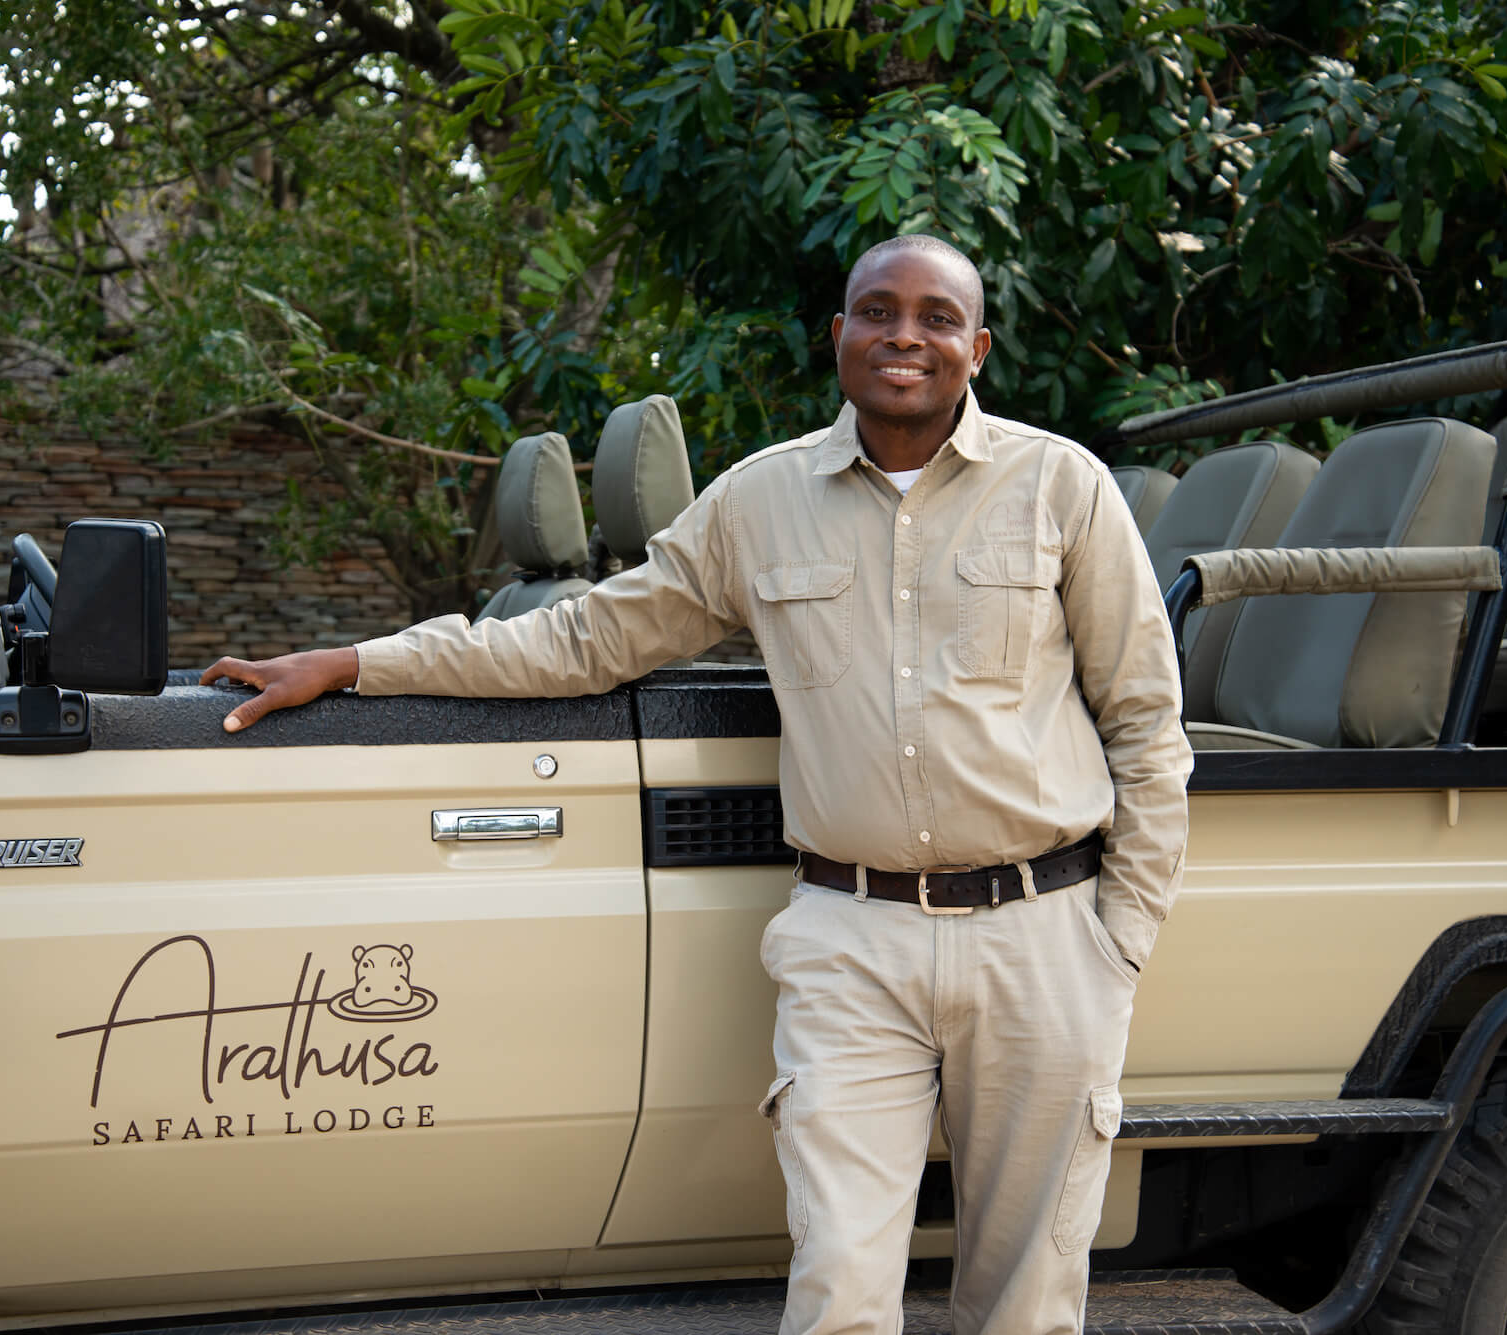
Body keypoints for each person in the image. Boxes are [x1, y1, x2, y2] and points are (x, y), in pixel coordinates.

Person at [202, 234, 1191, 1335]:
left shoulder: (1060, 486)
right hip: (850, 940)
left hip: (1044, 934)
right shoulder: (758, 502)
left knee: (1027, 1302)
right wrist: (357, 665)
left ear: (976, 346)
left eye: (934, 317)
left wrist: (1119, 938)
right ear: (839, 335)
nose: (902, 336)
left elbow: (1146, 721)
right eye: (876, 311)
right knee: (837, 1292)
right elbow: (587, 639)